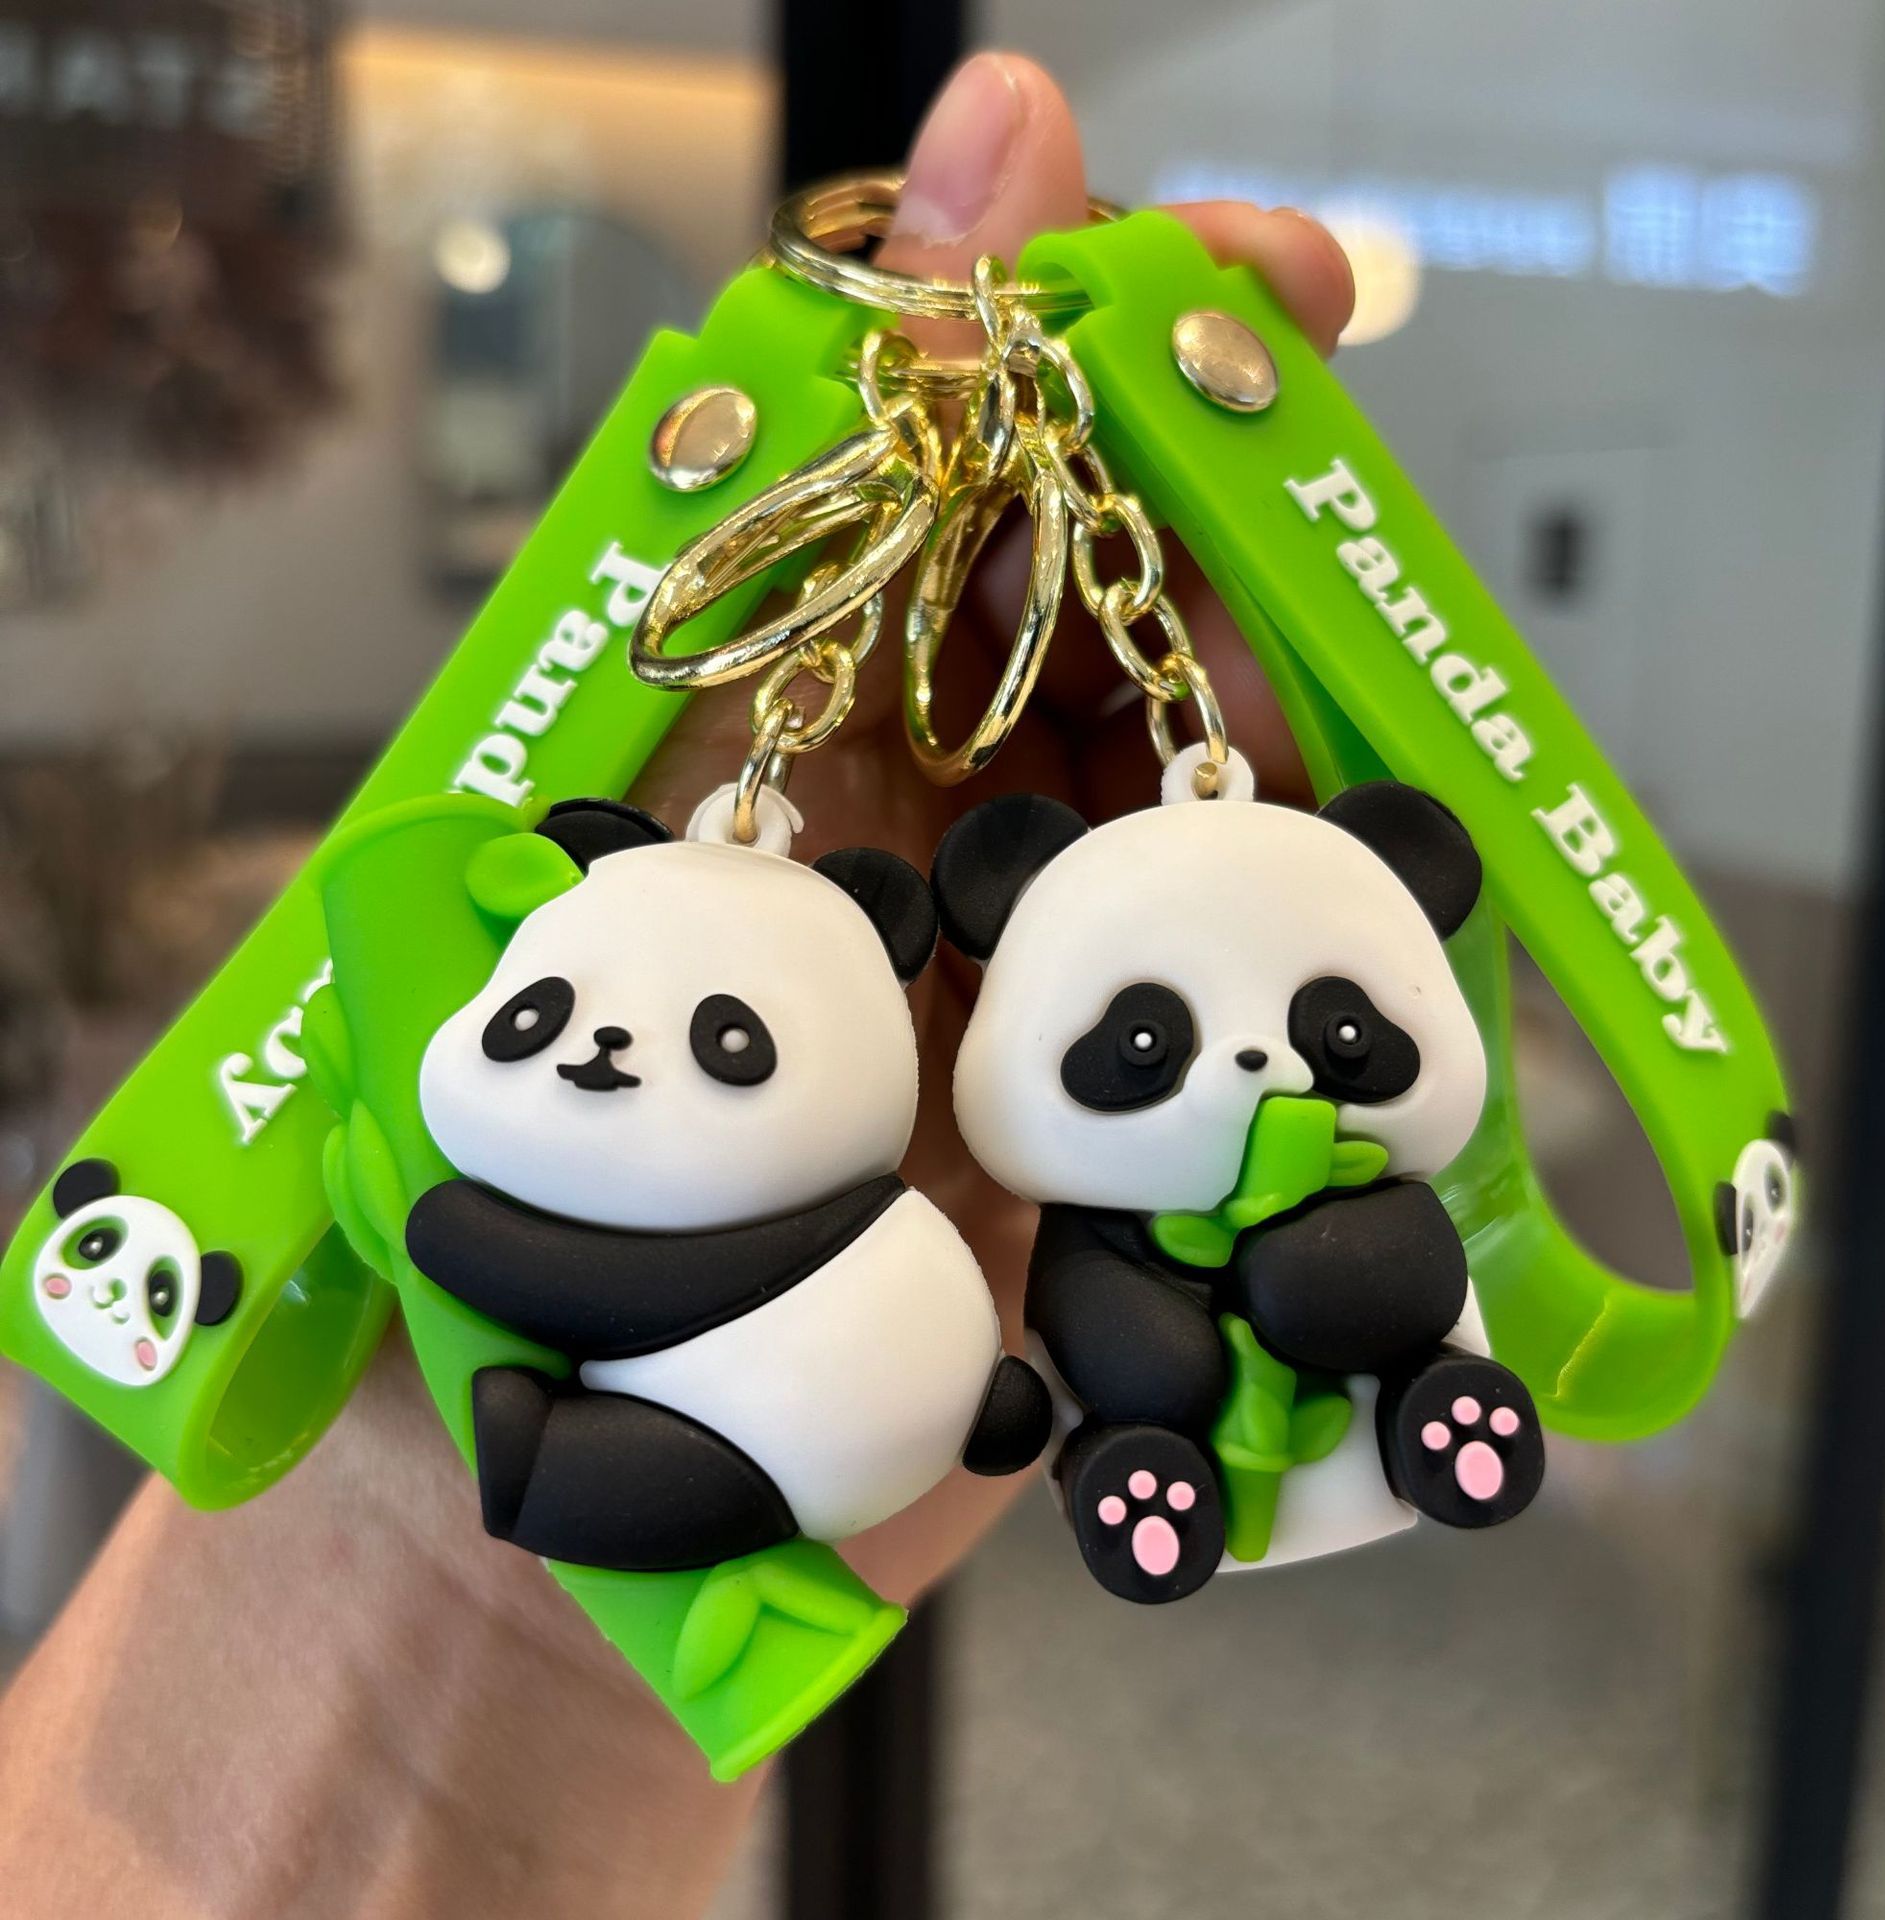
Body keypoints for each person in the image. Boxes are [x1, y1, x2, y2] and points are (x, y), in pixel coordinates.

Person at [0, 52, 1352, 1920]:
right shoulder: (587, 1021)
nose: (609, 1064)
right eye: (549, 1021)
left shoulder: (745, 1134)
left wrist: (445, 1241)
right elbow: (534, 1251)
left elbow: (524, 1250)